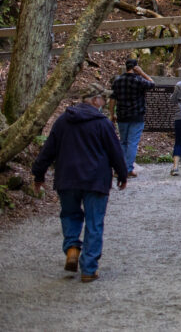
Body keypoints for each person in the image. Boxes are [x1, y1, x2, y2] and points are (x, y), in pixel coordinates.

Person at [31, 83, 128, 282]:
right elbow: (115, 152)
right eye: (103, 98)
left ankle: (73, 248)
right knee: (94, 222)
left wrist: (38, 175)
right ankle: (89, 269)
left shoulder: (63, 121)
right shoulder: (103, 123)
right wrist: (122, 174)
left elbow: (48, 150)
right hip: (95, 180)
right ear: (94, 100)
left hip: (67, 178)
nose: (105, 102)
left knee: (70, 215)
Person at [110, 58, 155, 178]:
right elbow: (152, 83)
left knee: (123, 142)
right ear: (136, 67)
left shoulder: (118, 80)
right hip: (136, 116)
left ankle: (119, 168)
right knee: (132, 143)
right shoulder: (139, 80)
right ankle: (128, 168)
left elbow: (112, 98)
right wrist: (142, 73)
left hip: (122, 116)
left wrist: (111, 114)